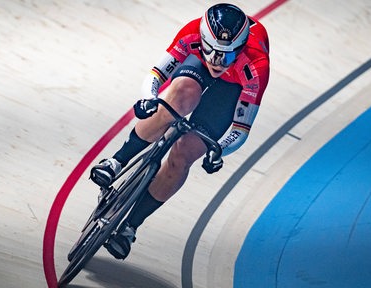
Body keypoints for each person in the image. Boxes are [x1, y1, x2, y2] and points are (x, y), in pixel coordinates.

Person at [90, 3, 270, 260]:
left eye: (227, 56)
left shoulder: (256, 65)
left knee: (185, 154)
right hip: (195, 65)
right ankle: (117, 161)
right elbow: (156, 75)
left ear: (240, 50)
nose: (218, 63)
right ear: (203, 41)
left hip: (231, 88)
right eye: (213, 53)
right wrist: (150, 99)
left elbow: (241, 128)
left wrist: (220, 150)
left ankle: (130, 226)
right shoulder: (191, 33)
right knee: (177, 100)